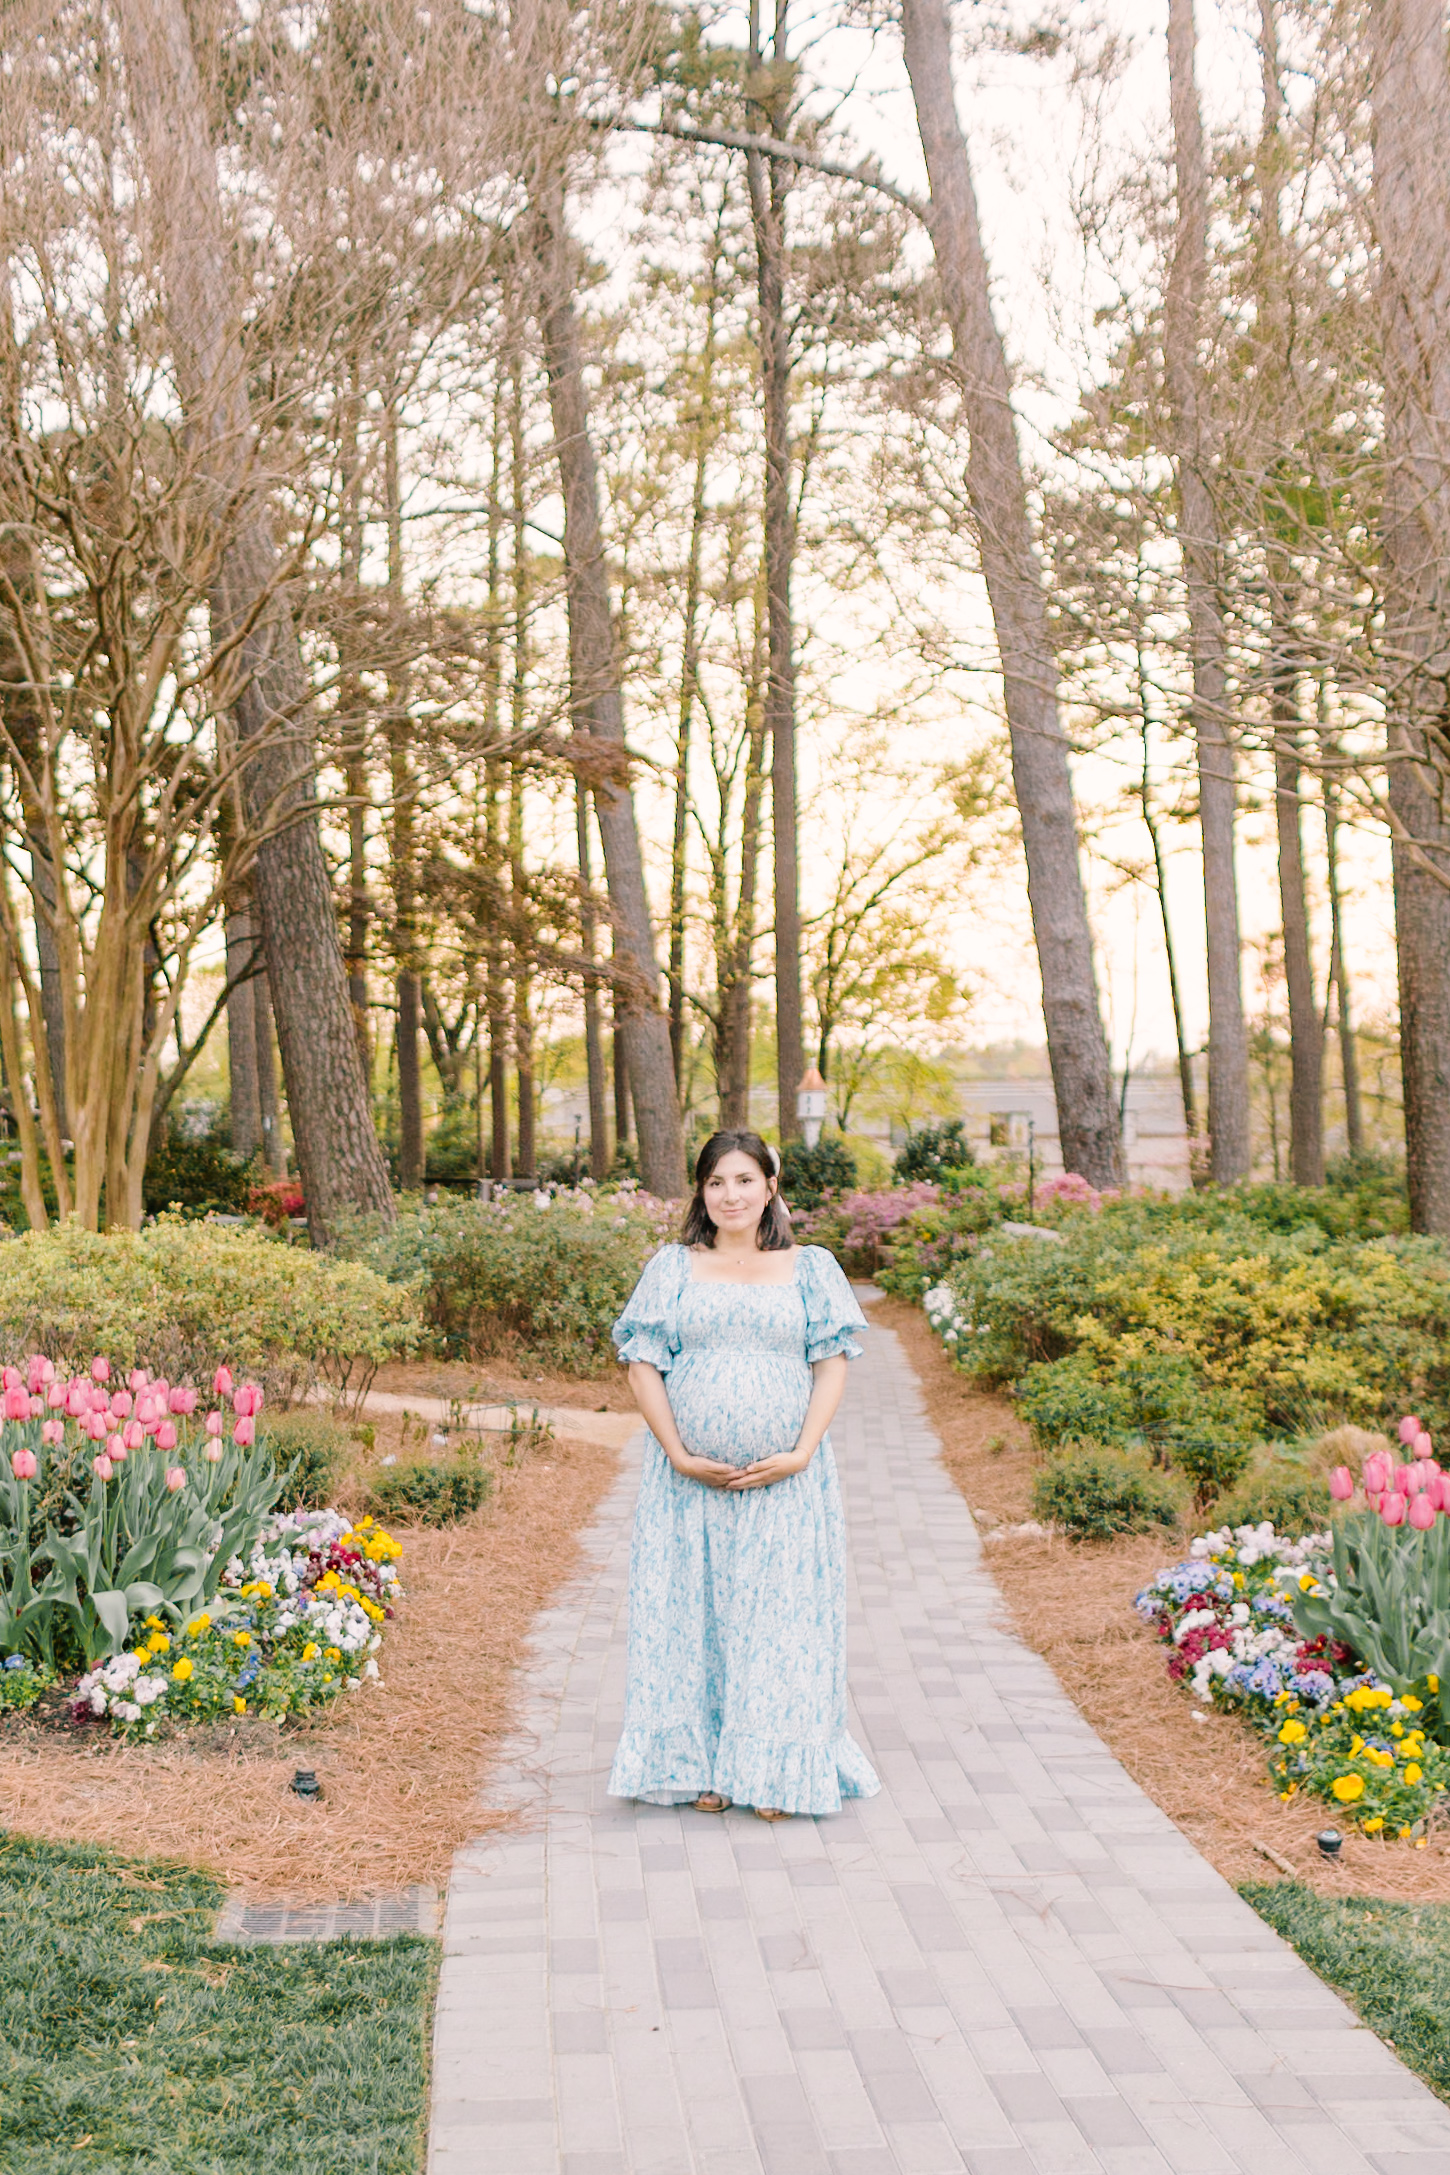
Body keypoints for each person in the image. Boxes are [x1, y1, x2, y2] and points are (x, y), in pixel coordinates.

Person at [608, 1127, 881, 1819]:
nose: (730, 1194)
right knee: (692, 1618)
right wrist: (676, 1450)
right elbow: (642, 1362)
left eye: (744, 1180)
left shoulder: (810, 1266)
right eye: (716, 1182)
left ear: (770, 1187)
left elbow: (832, 1360)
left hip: (787, 1481)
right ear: (702, 1192)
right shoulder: (672, 1266)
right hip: (685, 1484)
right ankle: (706, 1766)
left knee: (780, 1620)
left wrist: (802, 1450)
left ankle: (777, 1772)